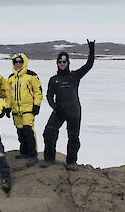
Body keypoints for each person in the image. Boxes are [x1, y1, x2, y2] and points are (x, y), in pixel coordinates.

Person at [40, 39, 95, 170]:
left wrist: (92, 50)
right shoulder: (54, 80)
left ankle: (71, 162)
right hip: (60, 110)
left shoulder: (75, 76)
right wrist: (55, 108)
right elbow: (49, 96)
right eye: (60, 62)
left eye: (64, 62)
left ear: (68, 63)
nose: (62, 64)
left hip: (74, 111)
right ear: (57, 63)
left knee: (73, 137)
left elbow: (89, 65)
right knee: (48, 132)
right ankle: (49, 159)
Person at [6, 53, 43, 166]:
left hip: (28, 109)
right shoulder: (11, 78)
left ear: (24, 63)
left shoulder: (31, 76)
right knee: (20, 132)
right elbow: (9, 95)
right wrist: (8, 107)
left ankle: (32, 154)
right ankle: (24, 151)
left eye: (20, 62)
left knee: (28, 131)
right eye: (16, 62)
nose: (18, 64)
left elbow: (38, 91)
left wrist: (36, 105)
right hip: (16, 110)